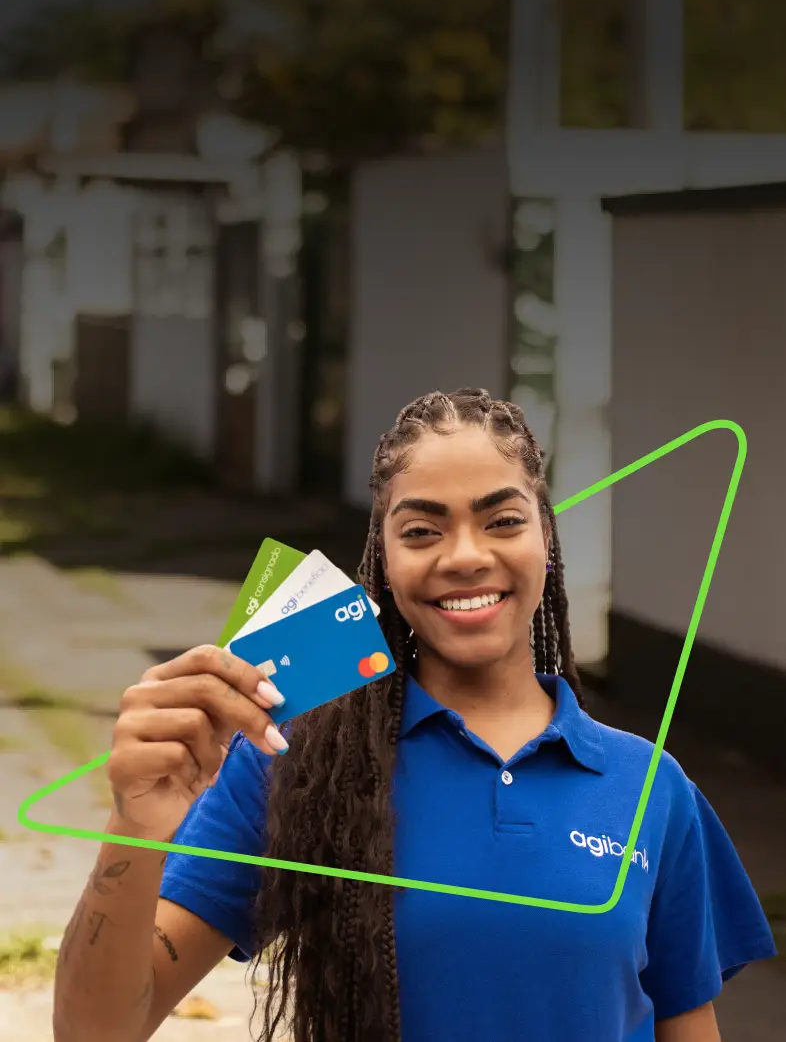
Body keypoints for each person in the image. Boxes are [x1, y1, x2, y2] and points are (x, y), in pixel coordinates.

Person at [53, 387, 776, 1042]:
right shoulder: (292, 761)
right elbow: (94, 1031)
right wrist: (134, 825)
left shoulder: (652, 787)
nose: (465, 556)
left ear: (546, 541)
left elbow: (688, 1024)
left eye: (503, 520)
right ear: (384, 562)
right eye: (422, 530)